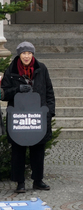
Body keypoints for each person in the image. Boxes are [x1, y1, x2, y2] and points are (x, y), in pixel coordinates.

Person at [2, 42, 55, 193]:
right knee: (18, 150)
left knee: (38, 149)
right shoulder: (11, 70)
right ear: (19, 54)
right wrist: (17, 89)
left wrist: (49, 111)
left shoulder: (41, 68)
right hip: (18, 117)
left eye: (29, 53)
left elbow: (49, 91)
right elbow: (4, 93)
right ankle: (20, 182)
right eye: (23, 53)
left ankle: (38, 180)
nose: (26, 56)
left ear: (33, 54)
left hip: (38, 115)